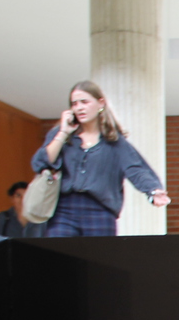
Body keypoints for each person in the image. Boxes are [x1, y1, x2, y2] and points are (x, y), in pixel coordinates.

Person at [31, 79, 169, 237]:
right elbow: (40, 163)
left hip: (100, 211)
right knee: (58, 252)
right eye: (74, 104)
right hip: (63, 211)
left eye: (84, 102)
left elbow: (136, 168)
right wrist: (63, 133)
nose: (79, 108)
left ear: (100, 103)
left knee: (98, 253)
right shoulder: (62, 135)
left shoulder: (114, 142)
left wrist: (152, 190)